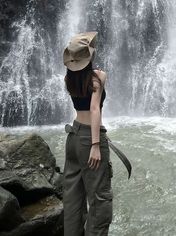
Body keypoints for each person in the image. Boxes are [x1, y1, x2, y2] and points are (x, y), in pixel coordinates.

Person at [62, 31, 113, 236]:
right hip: (89, 140)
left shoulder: (68, 79)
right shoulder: (98, 77)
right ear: (90, 56)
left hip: (73, 138)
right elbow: (94, 109)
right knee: (100, 202)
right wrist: (95, 144)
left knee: (73, 199)